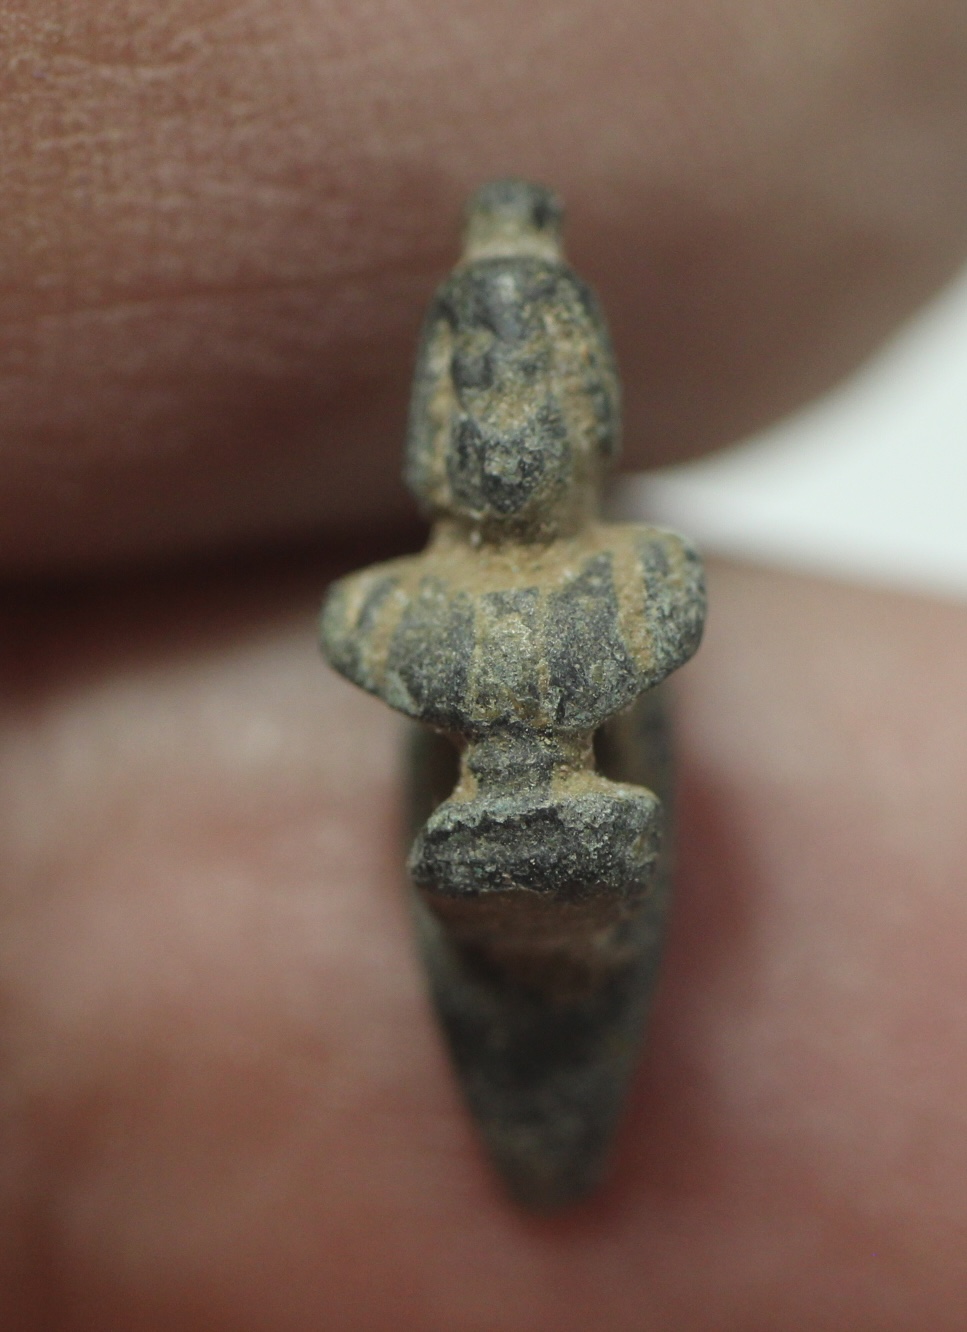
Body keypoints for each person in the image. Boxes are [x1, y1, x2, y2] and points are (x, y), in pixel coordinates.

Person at [2, 2, 967, 1326]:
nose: (503, 425)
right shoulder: (386, 615)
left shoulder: (644, 589)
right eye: (475, 388)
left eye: (533, 387)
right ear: (428, 419)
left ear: (592, 405)